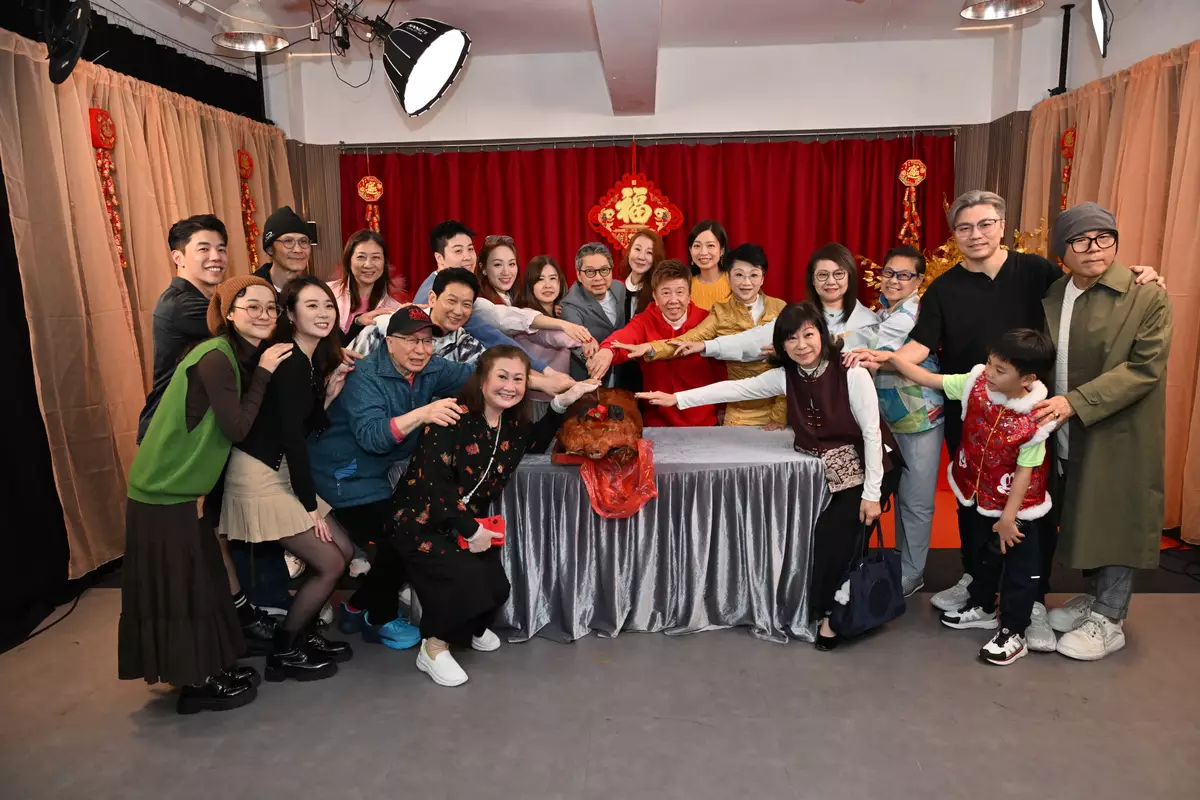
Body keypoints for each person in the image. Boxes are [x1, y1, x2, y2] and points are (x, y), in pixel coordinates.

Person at [853, 190, 1161, 619]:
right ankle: (977, 578)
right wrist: (885, 358)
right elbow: (921, 346)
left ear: (1001, 225)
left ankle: (1031, 594)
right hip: (970, 408)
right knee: (970, 498)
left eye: (985, 224)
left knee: (1030, 502)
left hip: (1033, 413)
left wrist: (1138, 276)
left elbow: (1086, 283)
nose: (975, 234)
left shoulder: (1037, 272)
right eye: (964, 227)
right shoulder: (944, 288)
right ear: (954, 234)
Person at [637, 301, 899, 651]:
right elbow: (736, 390)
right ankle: (835, 604)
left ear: (823, 335)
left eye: (808, 335)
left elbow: (872, 434)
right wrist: (677, 399)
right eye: (791, 338)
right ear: (781, 345)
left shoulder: (851, 371)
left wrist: (871, 494)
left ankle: (831, 616)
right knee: (834, 537)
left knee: (833, 535)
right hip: (829, 466)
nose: (801, 345)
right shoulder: (786, 376)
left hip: (872, 466)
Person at [119, 275, 293, 714]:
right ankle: (195, 682)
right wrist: (265, 373)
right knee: (184, 589)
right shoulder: (216, 356)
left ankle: (209, 666)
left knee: (207, 580)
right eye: (251, 306)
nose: (263, 315)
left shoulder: (231, 355)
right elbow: (237, 427)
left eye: (270, 308)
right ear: (228, 313)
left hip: (183, 489)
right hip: (164, 491)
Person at [393, 346, 599, 686]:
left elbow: (532, 443)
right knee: (467, 582)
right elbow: (434, 486)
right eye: (502, 376)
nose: (510, 386)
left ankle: (471, 628)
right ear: (482, 379)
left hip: (467, 525)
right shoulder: (450, 416)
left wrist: (561, 404)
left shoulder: (512, 422)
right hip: (420, 522)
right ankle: (433, 648)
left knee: (497, 587)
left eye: (518, 379)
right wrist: (470, 530)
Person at [1033, 203, 1173, 661]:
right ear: (1062, 251)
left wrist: (1075, 402)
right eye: (1080, 240)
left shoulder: (1145, 295)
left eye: (1104, 237)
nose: (1094, 248)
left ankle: (1110, 619)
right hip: (1066, 425)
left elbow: (1144, 369)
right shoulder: (1057, 292)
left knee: (1116, 515)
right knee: (1084, 511)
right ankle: (1096, 600)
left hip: (1117, 426)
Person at [134, 214, 275, 652]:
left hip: (202, 430)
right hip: (178, 438)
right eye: (203, 249)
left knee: (212, 536)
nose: (216, 257)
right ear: (178, 257)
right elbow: (252, 333)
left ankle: (234, 619)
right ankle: (219, 631)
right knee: (193, 546)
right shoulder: (186, 305)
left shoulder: (207, 300)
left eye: (221, 248)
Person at [874, 329, 1057, 666]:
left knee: (1018, 571)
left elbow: (1025, 472)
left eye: (1001, 370)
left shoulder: (1036, 417)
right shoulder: (975, 383)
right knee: (981, 558)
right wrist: (893, 359)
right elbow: (930, 379)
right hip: (975, 491)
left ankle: (1014, 632)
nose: (990, 372)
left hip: (1015, 509)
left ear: (1027, 378)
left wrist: (1009, 518)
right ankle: (983, 607)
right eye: (989, 363)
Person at [308, 305, 474, 652]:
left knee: (417, 531)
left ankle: (356, 608)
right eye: (410, 341)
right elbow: (374, 438)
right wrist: (424, 413)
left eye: (427, 341)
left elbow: (477, 373)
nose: (420, 349)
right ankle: (379, 618)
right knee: (402, 539)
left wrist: (537, 380)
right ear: (389, 342)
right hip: (342, 474)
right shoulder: (365, 376)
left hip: (378, 475)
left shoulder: (430, 368)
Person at [220, 276, 356, 682]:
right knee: (331, 561)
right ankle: (284, 649)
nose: (323, 313)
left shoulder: (307, 361)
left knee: (345, 550)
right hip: (259, 474)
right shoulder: (290, 360)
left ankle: (303, 633)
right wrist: (309, 506)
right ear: (291, 315)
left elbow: (302, 425)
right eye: (311, 306)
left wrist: (327, 394)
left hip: (279, 468)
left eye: (328, 305)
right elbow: (294, 440)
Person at [854, 245, 946, 599]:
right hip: (887, 417)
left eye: (904, 275)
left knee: (916, 500)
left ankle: (913, 572)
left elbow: (872, 347)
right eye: (889, 273)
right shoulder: (883, 311)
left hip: (919, 415)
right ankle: (904, 563)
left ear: (919, 280)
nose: (894, 280)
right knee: (898, 494)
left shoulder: (914, 312)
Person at [622, 243, 787, 427]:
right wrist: (651, 347)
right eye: (739, 275)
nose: (746, 282)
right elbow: (689, 339)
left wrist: (784, 352)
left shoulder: (781, 309)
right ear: (728, 277)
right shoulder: (719, 313)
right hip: (739, 410)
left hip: (783, 405)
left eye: (754, 275)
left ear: (763, 278)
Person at [588, 260, 725, 427]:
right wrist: (607, 351)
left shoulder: (706, 320)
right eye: (666, 293)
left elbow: (722, 367)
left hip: (704, 419)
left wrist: (722, 408)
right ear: (655, 296)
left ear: (689, 295)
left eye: (680, 292)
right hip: (658, 421)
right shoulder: (644, 321)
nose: (673, 300)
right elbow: (624, 338)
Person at [410, 221, 552, 371]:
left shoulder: (455, 285)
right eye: (458, 251)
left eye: (470, 249)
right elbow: (490, 334)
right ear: (439, 258)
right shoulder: (434, 294)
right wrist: (542, 369)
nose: (467, 257)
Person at [513, 255, 598, 416]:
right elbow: (551, 336)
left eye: (553, 278)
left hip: (562, 398)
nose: (548, 285)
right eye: (540, 279)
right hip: (535, 401)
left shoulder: (560, 313)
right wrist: (586, 339)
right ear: (530, 285)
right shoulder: (526, 316)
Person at [471, 235, 595, 345]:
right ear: (483, 268)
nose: (506, 272)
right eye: (497, 264)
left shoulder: (514, 300)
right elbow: (507, 317)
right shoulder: (477, 302)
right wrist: (565, 326)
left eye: (511, 264)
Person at [561, 242, 630, 386]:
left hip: (621, 372)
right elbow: (576, 342)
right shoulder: (570, 304)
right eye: (590, 272)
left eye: (604, 270)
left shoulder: (619, 288)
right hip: (589, 377)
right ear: (579, 275)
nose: (598, 278)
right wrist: (593, 361)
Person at [328, 228, 403, 345]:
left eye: (376, 257)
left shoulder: (393, 308)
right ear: (348, 260)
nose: (368, 265)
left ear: (384, 262)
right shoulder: (326, 293)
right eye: (361, 257)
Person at [256, 206, 312, 293]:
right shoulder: (252, 291)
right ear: (270, 249)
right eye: (288, 241)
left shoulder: (312, 291)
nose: (298, 250)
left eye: (303, 241)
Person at [687, 220, 732, 311]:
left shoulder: (734, 281)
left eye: (710, 245)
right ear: (690, 250)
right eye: (697, 246)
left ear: (722, 250)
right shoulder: (686, 286)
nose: (703, 252)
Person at [620, 228, 663, 322]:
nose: (641, 257)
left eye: (649, 252)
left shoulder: (658, 293)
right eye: (637, 249)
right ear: (629, 251)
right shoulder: (615, 288)